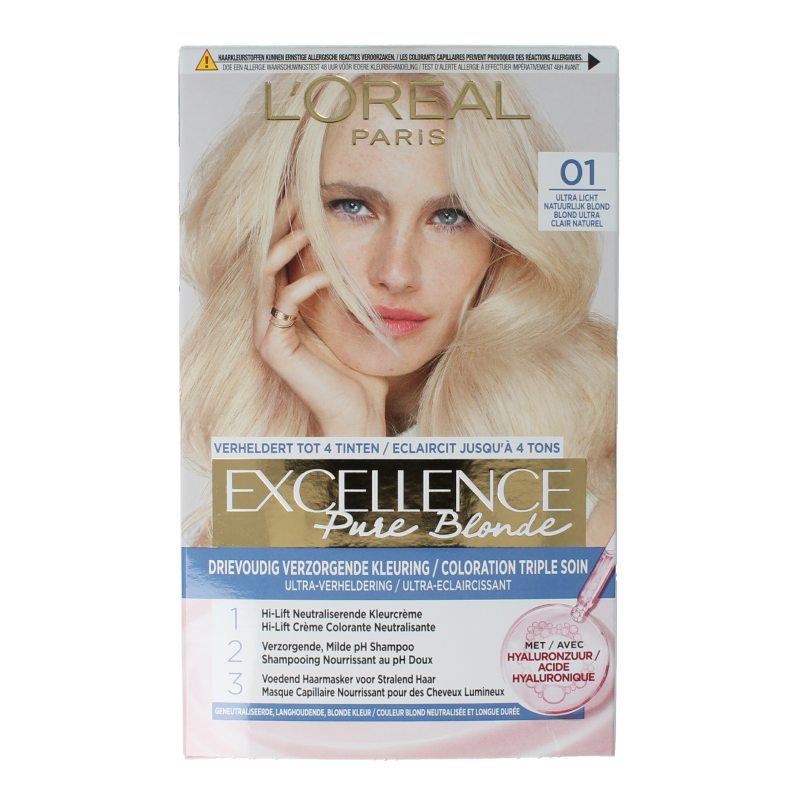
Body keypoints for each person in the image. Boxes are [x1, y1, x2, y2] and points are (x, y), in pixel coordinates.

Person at [181, 72, 616, 545]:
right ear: (275, 223)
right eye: (351, 206)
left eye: (451, 216)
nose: (396, 273)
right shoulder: (233, 481)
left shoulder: (595, 472)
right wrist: (351, 439)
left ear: (503, 243)